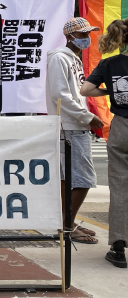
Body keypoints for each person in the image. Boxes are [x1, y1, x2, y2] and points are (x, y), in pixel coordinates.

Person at [46, 17, 103, 245]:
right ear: (69, 36)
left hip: (73, 124)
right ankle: (67, 227)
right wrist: (87, 117)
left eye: (88, 34)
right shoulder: (60, 58)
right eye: (82, 35)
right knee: (83, 179)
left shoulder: (74, 59)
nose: (86, 38)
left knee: (67, 177)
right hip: (69, 125)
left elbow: (77, 92)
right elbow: (60, 95)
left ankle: (66, 222)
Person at [81, 18, 128, 269]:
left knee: (120, 188)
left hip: (121, 126)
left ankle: (118, 247)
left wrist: (111, 91)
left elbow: (86, 90)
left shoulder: (109, 64)